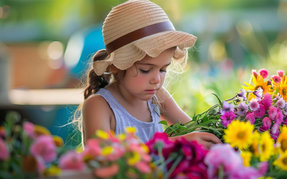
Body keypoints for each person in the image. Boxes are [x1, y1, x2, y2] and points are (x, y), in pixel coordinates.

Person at [76, 0, 221, 148]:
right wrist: (178, 142)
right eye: (145, 70)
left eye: (163, 69)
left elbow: (195, 129)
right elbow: (103, 159)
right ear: (116, 66)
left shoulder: (157, 97)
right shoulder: (99, 106)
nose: (157, 80)